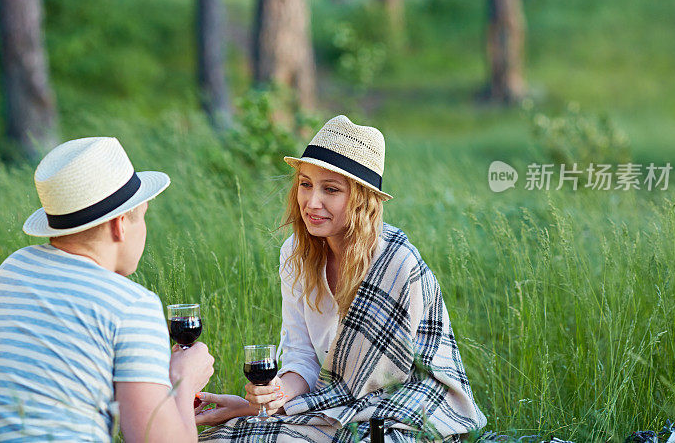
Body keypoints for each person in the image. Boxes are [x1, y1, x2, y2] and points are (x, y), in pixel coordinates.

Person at [196, 116, 486, 442]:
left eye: (330, 189)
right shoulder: (295, 254)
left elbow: (385, 382)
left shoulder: (395, 263)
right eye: (305, 184)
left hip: (405, 409)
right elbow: (302, 356)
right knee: (225, 438)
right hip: (334, 407)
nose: (312, 202)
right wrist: (274, 394)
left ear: (362, 200)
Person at [0, 137, 214, 442]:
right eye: (143, 217)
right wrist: (181, 382)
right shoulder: (130, 305)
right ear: (120, 225)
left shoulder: (8, 271)